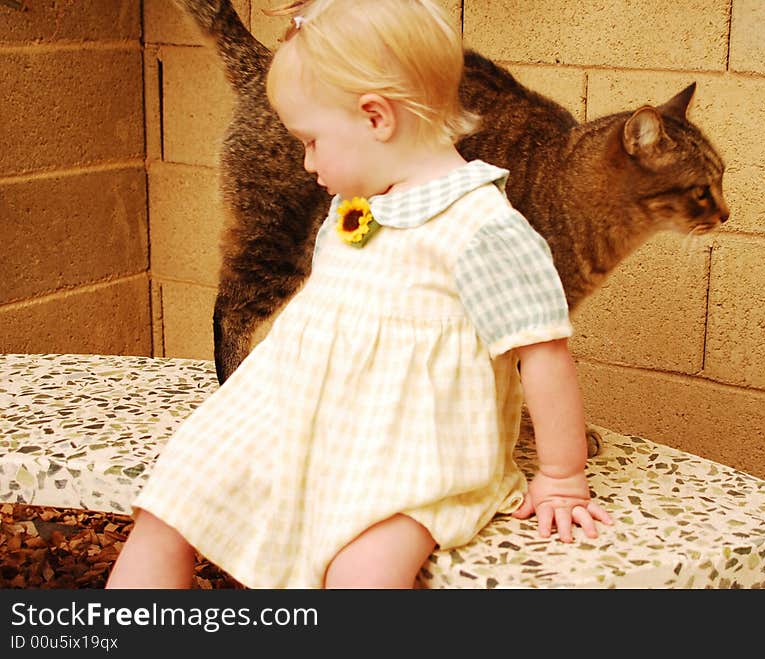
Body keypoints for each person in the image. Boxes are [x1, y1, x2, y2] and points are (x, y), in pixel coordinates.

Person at [106, 0, 612, 590]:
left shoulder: (483, 229)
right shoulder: (363, 201)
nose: (306, 161)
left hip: (412, 452)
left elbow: (542, 353)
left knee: (362, 575)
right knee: (169, 503)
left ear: (376, 119)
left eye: (313, 141)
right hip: (299, 414)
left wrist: (561, 475)